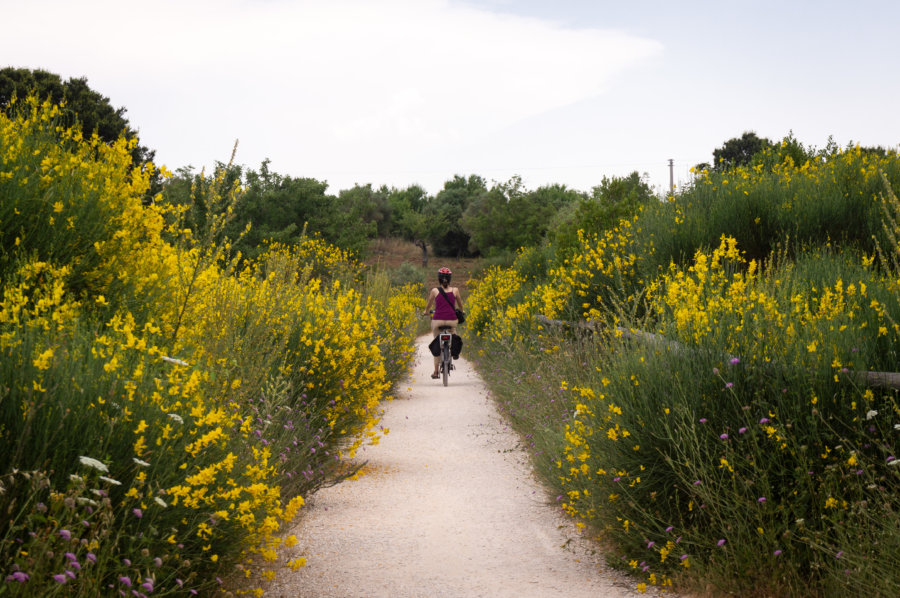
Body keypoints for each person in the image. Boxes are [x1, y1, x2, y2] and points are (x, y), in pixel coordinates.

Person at [423, 266, 464, 379]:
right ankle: (454, 352)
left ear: (439, 279)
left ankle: (436, 371)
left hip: (437, 321)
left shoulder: (435, 291)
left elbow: (429, 304)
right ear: (449, 279)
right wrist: (462, 310)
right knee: (453, 333)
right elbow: (460, 304)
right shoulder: (455, 290)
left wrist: (426, 312)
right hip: (452, 320)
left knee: (437, 341)